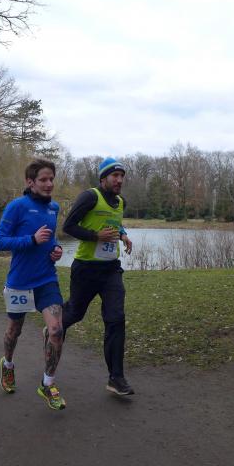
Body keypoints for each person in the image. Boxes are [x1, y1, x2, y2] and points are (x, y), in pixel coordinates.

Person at [0, 159, 66, 410]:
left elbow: (52, 239)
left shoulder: (54, 208)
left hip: (46, 279)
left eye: (51, 179)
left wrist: (56, 250)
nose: (49, 184)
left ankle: (47, 383)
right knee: (15, 330)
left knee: (56, 330)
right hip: (20, 282)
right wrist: (31, 240)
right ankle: (8, 364)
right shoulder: (17, 206)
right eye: (43, 180)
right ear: (30, 182)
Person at [61, 157, 135, 396]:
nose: (119, 180)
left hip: (111, 270)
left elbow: (114, 224)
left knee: (116, 318)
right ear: (103, 178)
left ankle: (116, 378)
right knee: (75, 313)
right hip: (86, 268)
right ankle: (55, 327)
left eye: (122, 176)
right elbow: (68, 226)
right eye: (115, 176)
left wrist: (123, 235)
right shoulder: (90, 197)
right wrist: (95, 236)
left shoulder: (121, 202)